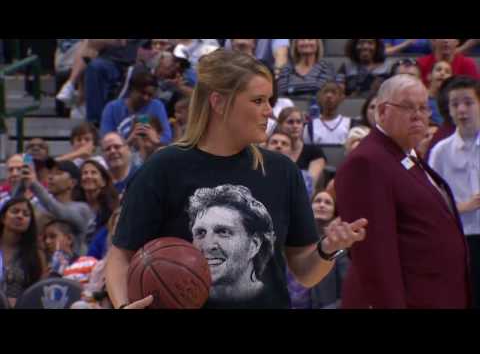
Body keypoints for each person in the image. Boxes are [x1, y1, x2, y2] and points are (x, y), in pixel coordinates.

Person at [105, 49, 367, 310]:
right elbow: (120, 257)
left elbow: (306, 273)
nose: (269, 111)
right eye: (258, 101)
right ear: (218, 102)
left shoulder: (283, 171)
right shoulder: (162, 168)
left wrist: (327, 249)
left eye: (270, 100)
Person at [335, 74, 471, 309]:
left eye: (423, 108)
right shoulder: (367, 162)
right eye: (408, 107)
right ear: (382, 111)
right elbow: (375, 255)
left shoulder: (406, 154)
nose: (418, 115)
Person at [428, 76, 480, 308]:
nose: (462, 109)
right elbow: (430, 204)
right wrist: (462, 207)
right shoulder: (440, 151)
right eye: (455, 104)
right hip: (459, 238)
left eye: (468, 102)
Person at [287, 190, 349, 309]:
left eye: (328, 203)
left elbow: (346, 292)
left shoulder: (339, 248)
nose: (322, 205)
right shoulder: (293, 241)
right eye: (318, 201)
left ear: (334, 212)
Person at [20, 159, 95, 255]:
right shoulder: (38, 205)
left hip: (74, 267)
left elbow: (60, 212)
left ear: (72, 182)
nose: (50, 177)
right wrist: (22, 182)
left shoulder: (82, 209)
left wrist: (34, 184)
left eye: (58, 173)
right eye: (50, 173)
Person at [84, 39, 150, 125]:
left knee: (139, 72)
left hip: (137, 63)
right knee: (95, 67)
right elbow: (92, 43)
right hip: (110, 63)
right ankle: (94, 121)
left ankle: (138, 123)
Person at [100, 71, 172, 147]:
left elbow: (167, 137)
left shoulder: (157, 106)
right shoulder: (112, 108)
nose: (146, 98)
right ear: (132, 90)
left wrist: (155, 140)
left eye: (150, 95)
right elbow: (106, 140)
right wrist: (130, 140)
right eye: (142, 93)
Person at [0, 198, 46, 306]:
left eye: (26, 214)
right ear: (3, 218)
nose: (20, 216)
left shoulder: (37, 255)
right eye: (15, 211)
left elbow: (40, 291)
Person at [276, 107, 326, 189]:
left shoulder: (315, 152)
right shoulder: (273, 148)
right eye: (290, 122)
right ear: (280, 125)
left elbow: (310, 185)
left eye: (299, 122)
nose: (295, 126)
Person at [75, 160, 120, 244]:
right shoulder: (75, 207)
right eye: (85, 173)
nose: (88, 176)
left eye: (93, 173)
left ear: (103, 181)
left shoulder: (112, 208)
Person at [427, 61, 453, 125]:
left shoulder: (453, 103)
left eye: (447, 72)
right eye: (438, 70)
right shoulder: (420, 99)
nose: (442, 73)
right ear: (429, 76)